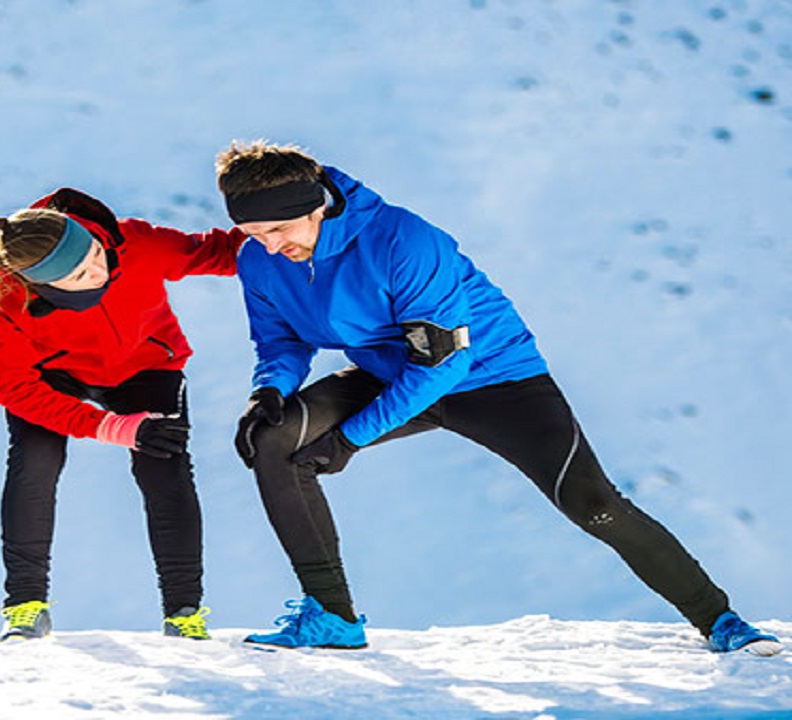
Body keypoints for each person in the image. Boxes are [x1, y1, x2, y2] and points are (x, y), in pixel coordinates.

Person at [215, 139, 783, 656]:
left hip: (493, 378)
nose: (271, 245)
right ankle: (332, 617)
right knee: (274, 437)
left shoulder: (403, 240)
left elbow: (441, 363)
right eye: (254, 232)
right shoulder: (259, 260)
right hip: (389, 373)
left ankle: (721, 621)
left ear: (316, 206)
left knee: (592, 502)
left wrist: (348, 438)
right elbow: (280, 340)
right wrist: (269, 391)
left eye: (280, 228)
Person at [0, 187, 246, 642]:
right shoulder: (1, 300)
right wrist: (111, 427)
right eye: (79, 274)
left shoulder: (133, 243)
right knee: (34, 463)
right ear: (40, 285)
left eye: (94, 252)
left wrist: (293, 231)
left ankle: (184, 613)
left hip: (146, 366)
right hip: (54, 376)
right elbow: (16, 388)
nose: (100, 269)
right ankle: (25, 607)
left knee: (165, 468)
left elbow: (218, 252)